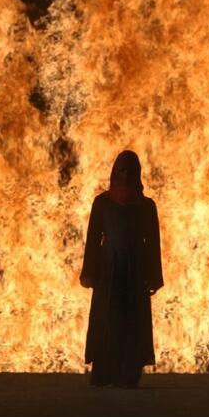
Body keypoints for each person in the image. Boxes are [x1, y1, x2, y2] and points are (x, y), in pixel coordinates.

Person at [79, 150, 164, 388]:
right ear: (115, 172)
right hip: (109, 270)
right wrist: (89, 272)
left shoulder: (147, 206)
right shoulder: (103, 203)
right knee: (108, 317)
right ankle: (104, 371)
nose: (125, 175)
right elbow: (94, 238)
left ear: (137, 174)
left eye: (130, 170)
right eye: (121, 170)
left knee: (132, 319)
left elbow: (153, 243)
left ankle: (128, 373)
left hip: (136, 270)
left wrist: (154, 276)